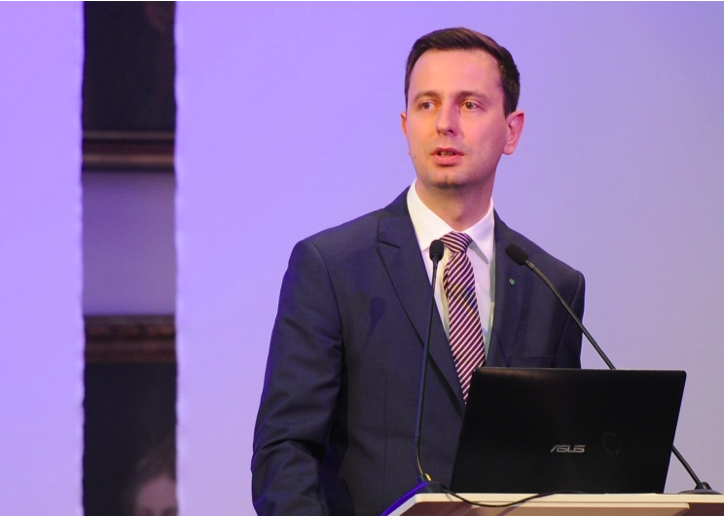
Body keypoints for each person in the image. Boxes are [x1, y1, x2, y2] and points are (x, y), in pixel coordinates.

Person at [252, 27, 585, 516]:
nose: (445, 124)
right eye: (427, 105)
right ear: (406, 125)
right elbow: (285, 452)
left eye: (469, 104)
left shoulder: (550, 285)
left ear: (512, 131)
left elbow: (560, 459)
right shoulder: (332, 267)